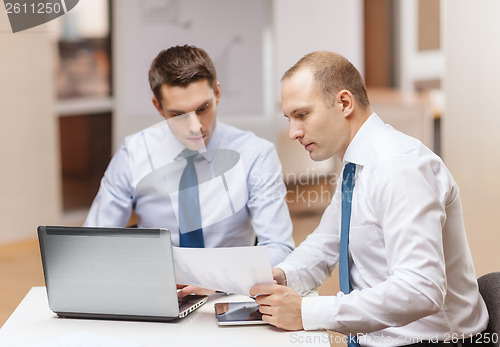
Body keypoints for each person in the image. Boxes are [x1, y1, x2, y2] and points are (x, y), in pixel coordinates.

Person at [250, 51, 489, 346]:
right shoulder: (355, 165)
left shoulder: (399, 167)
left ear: (344, 103)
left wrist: (306, 311)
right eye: (289, 118)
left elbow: (421, 289)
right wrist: (281, 276)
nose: (293, 133)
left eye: (302, 115)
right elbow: (324, 243)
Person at [84, 45, 294, 271]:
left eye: (203, 108)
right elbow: (92, 242)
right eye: (178, 115)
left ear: (218, 94)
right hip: (158, 294)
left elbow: (279, 248)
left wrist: (217, 277)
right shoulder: (133, 153)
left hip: (230, 295)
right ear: (159, 107)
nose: (195, 127)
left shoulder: (256, 155)